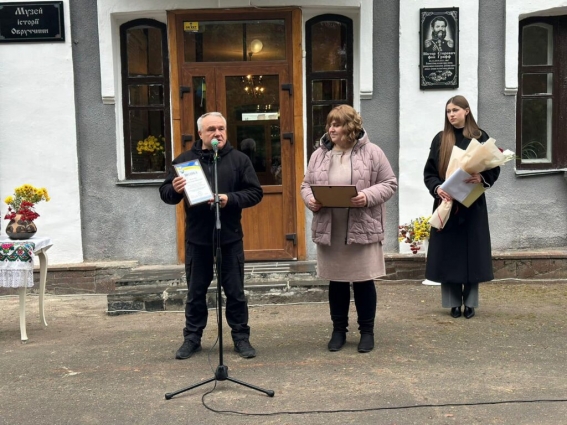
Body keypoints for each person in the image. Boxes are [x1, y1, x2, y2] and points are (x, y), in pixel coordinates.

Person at [159, 112, 263, 359]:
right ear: (201, 134)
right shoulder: (184, 162)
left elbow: (255, 193)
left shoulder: (239, 160)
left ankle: (240, 337)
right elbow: (165, 193)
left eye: (221, 129)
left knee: (235, 292)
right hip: (198, 240)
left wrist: (231, 198)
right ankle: (192, 338)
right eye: (211, 130)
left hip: (229, 238)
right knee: (195, 293)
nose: (218, 134)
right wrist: (173, 190)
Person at [300, 105, 397, 353]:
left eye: (337, 124)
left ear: (350, 127)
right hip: (331, 229)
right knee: (338, 283)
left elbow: (389, 183)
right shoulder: (318, 155)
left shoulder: (373, 153)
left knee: (364, 282)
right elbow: (306, 185)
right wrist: (310, 199)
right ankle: (338, 331)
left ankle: (367, 332)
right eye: (330, 124)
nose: (331, 129)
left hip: (362, 227)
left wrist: (366, 196)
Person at [423, 95, 500, 319]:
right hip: (447, 204)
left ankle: (471, 303)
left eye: (455, 110)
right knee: (448, 254)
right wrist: (437, 188)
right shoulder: (440, 139)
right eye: (448, 111)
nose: (451, 114)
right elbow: (429, 173)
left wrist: (481, 177)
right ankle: (453, 303)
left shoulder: (479, 136)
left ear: (467, 111)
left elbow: (493, 168)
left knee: (472, 254)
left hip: (472, 205)